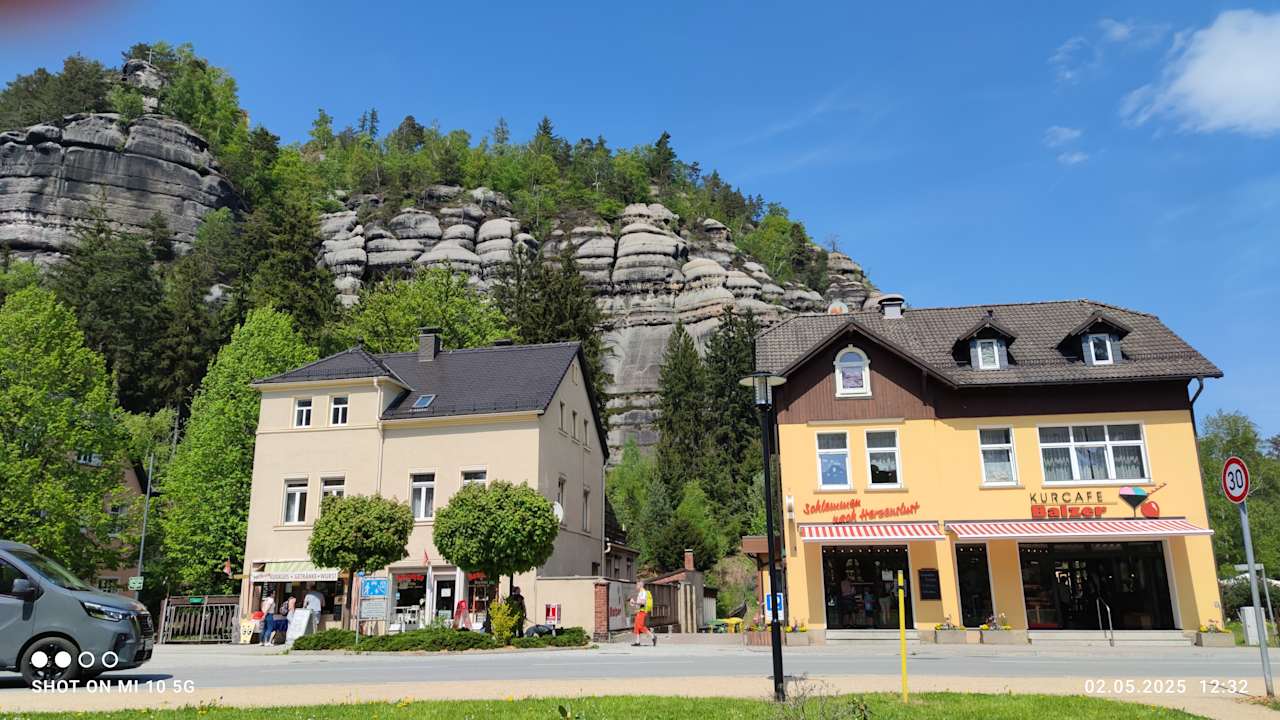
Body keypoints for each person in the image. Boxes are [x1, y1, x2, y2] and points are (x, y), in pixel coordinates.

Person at [629, 581, 656, 647]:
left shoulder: (643, 592)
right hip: (639, 611)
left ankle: (653, 636)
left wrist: (634, 602)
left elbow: (643, 603)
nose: (636, 586)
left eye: (637, 585)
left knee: (640, 626)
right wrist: (634, 603)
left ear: (640, 585)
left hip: (642, 611)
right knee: (636, 626)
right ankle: (637, 642)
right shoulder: (640, 592)